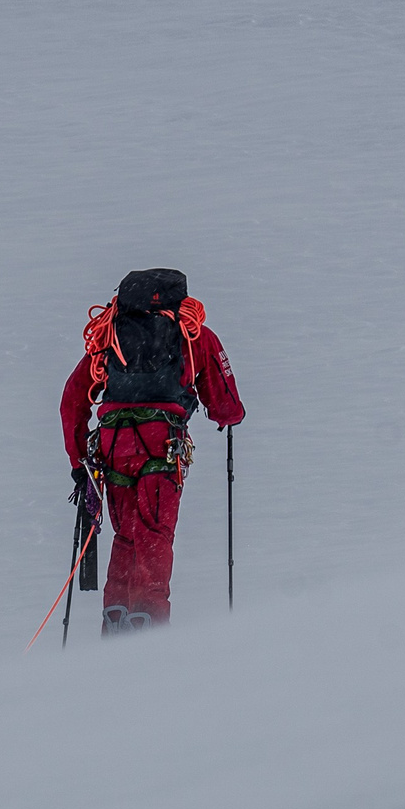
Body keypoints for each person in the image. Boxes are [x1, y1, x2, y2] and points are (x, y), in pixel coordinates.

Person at [59, 269, 244, 632]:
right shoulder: (194, 335)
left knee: (126, 535)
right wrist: (230, 416)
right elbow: (226, 405)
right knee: (155, 535)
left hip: (114, 447)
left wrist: (78, 460)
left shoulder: (109, 336)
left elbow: (72, 399)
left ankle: (116, 620)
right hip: (162, 444)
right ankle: (150, 625)